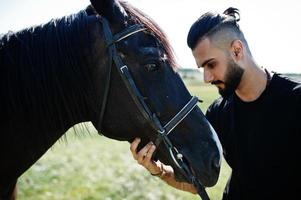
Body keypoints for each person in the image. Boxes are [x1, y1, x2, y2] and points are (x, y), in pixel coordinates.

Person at [130, 7, 301, 200]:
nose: (206, 77)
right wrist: (159, 170)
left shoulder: (295, 100)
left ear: (237, 50)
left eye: (211, 64)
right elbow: (196, 184)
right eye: (202, 67)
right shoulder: (218, 113)